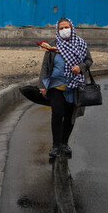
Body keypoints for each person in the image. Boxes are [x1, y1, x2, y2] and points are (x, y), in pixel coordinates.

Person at [38, 17, 93, 158]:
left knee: (69, 116)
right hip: (56, 85)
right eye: (61, 28)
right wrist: (43, 85)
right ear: (57, 30)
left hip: (75, 86)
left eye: (66, 27)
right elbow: (45, 66)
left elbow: (89, 61)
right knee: (57, 114)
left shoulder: (81, 44)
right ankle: (55, 145)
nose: (64, 30)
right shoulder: (52, 46)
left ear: (72, 28)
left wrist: (80, 68)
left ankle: (64, 143)